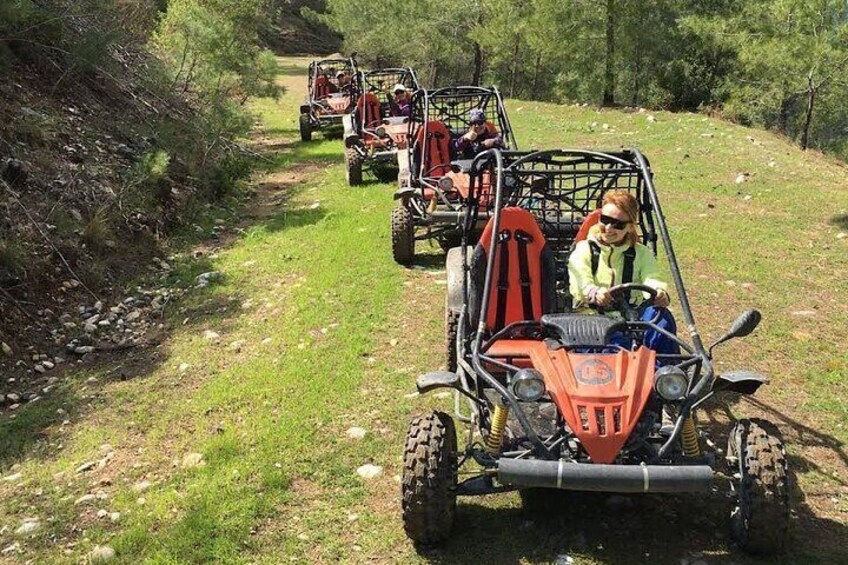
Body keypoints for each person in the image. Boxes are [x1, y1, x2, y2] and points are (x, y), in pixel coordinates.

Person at [567, 190, 679, 357]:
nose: (609, 228)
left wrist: (659, 291)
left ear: (630, 226)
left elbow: (651, 277)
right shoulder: (584, 250)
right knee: (618, 346)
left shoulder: (641, 253)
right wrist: (594, 292)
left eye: (618, 224)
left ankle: (665, 374)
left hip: (631, 318)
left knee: (662, 318)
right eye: (605, 220)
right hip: (593, 321)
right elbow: (581, 282)